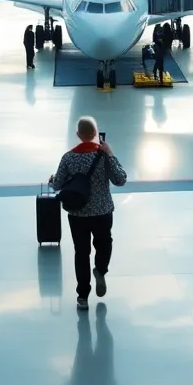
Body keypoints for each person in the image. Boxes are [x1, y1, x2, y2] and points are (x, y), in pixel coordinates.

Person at [49, 117, 127, 311]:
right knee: (104, 243)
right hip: (102, 212)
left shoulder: (68, 157)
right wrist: (110, 155)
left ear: (78, 135)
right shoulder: (102, 156)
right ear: (95, 134)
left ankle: (82, 296)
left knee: (81, 253)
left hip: (77, 214)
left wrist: (52, 180)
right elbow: (120, 179)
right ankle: (100, 270)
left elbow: (57, 185)